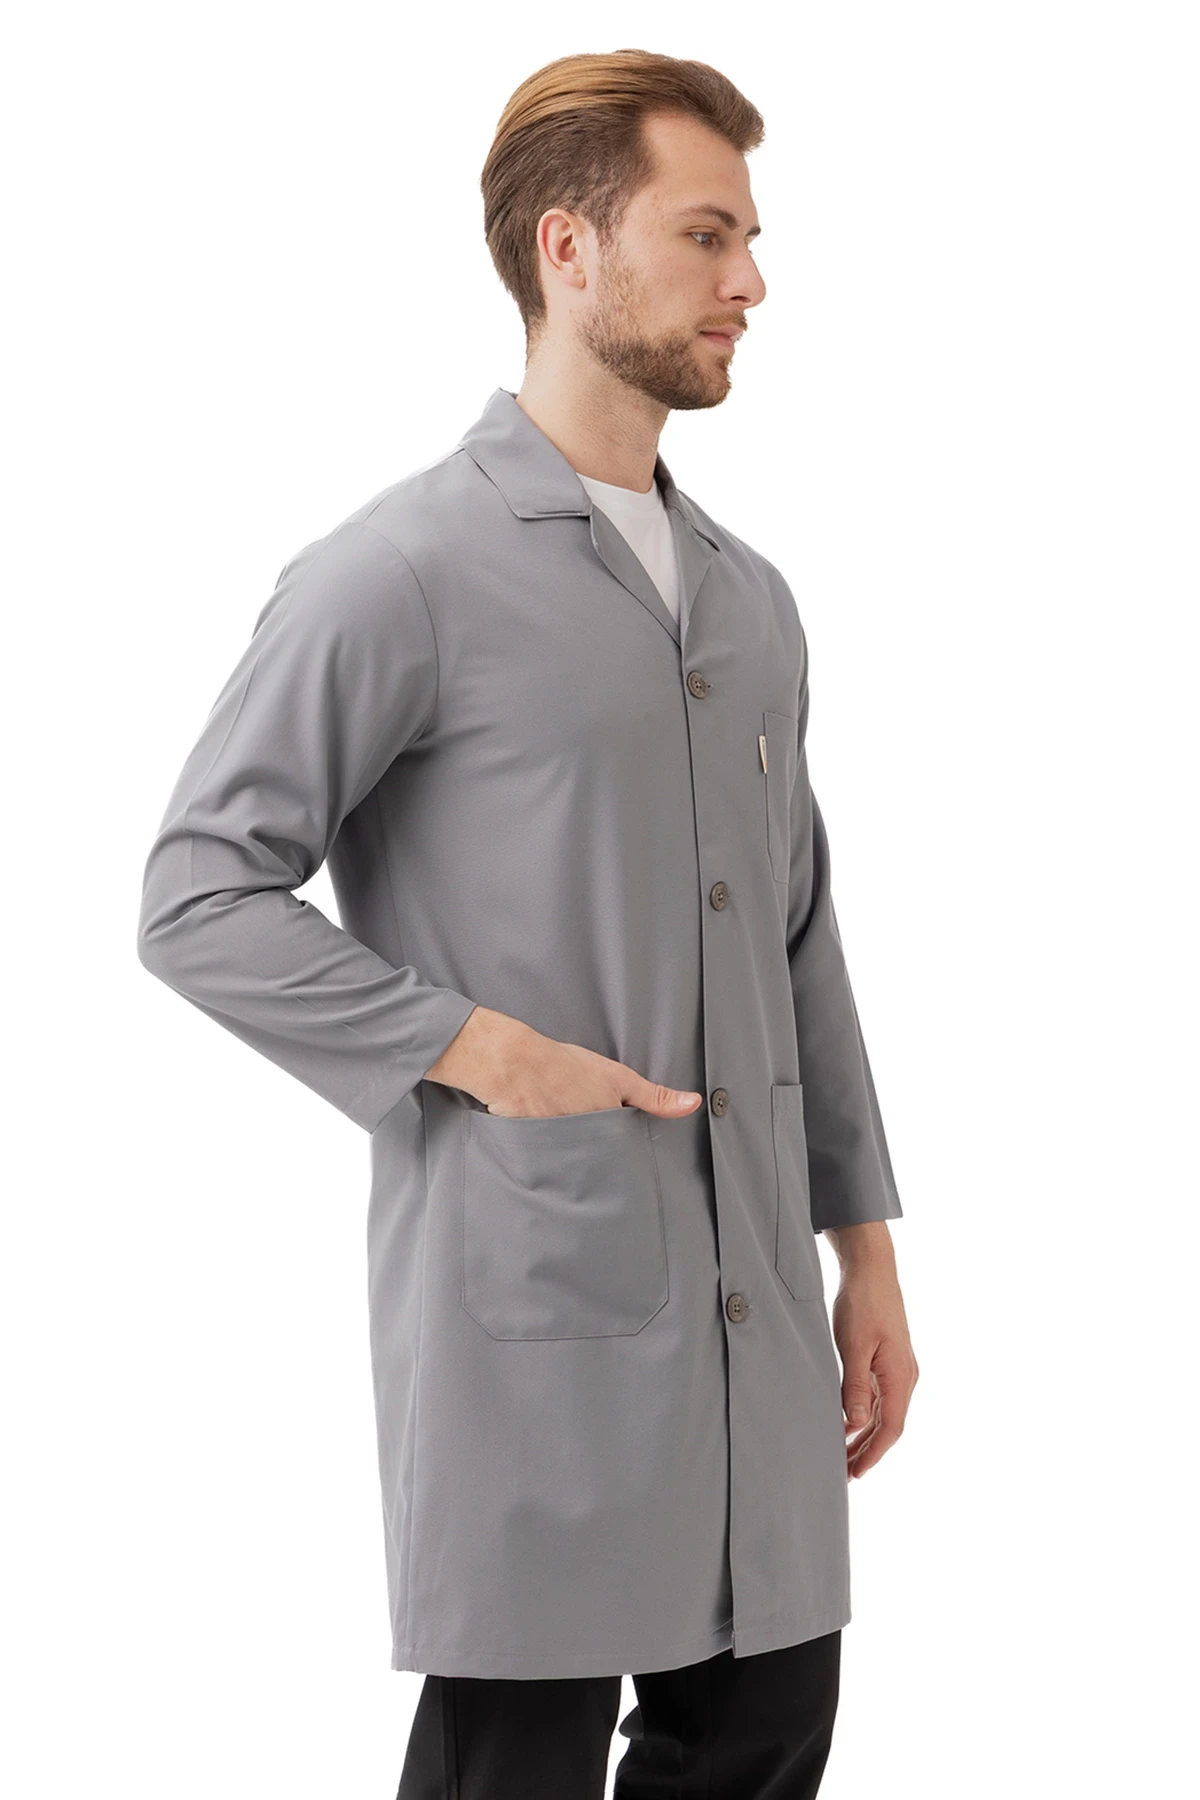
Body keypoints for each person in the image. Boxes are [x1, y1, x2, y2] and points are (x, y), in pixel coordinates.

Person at [137, 47, 919, 1800]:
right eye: (706, 235)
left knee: (768, 1724)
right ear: (570, 249)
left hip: (755, 1299)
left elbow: (800, 935)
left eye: (751, 238)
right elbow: (197, 891)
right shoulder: (398, 575)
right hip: (534, 1309)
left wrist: (862, 1244)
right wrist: (473, 1049)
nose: (751, 281)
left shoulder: (753, 602)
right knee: (516, 1763)